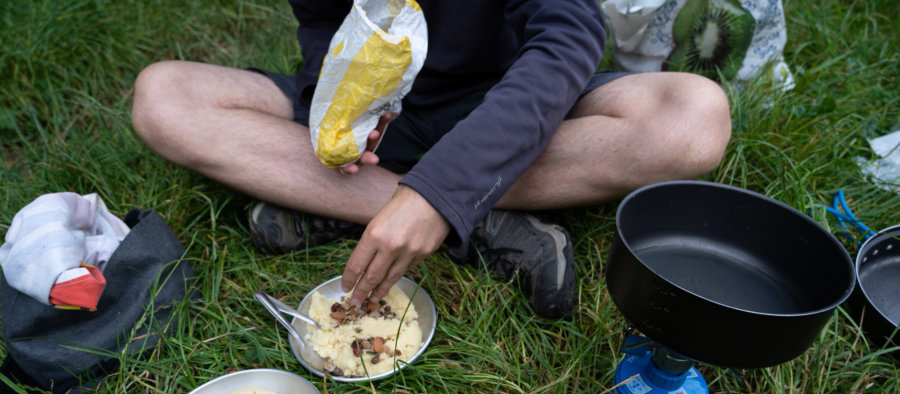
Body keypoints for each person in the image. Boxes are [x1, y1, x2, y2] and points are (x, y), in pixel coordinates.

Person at [131, 0, 731, 319]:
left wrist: (442, 187)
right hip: (382, 113)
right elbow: (320, 23)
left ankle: (404, 206)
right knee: (164, 98)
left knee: (693, 118)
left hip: (505, 107)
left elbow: (568, 37)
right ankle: (476, 220)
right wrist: (341, 106)